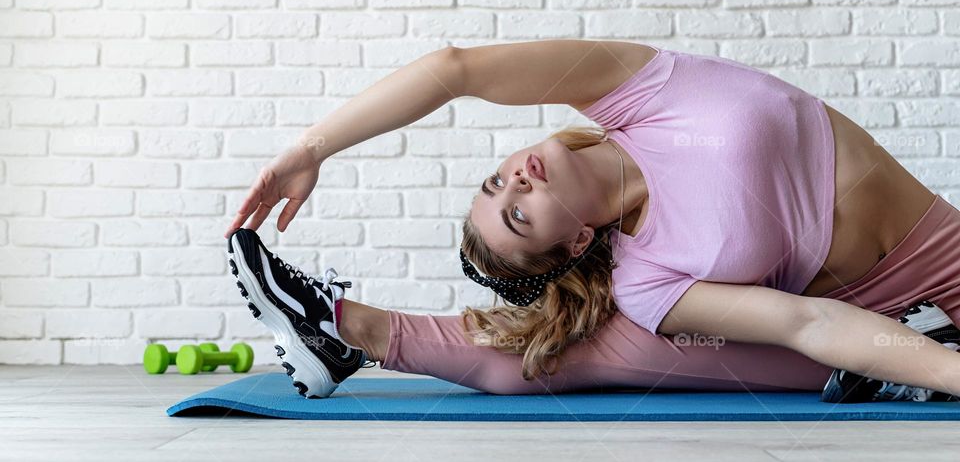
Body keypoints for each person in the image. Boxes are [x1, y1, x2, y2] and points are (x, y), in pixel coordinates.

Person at [223, 39, 960, 401]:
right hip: (887, 338)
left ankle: (338, 331)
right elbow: (808, 324)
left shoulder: (635, 92)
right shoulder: (647, 282)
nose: (515, 179)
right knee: (570, 346)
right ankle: (343, 327)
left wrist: (312, 146)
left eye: (496, 179)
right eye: (517, 213)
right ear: (575, 241)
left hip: (944, 265)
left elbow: (455, 70)